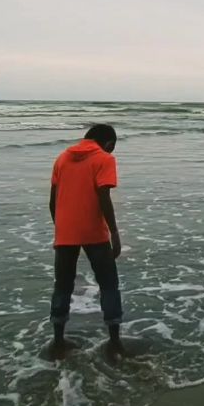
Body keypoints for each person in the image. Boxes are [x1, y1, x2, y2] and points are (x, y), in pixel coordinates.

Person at [47, 124, 124, 358]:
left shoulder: (61, 158)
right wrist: (114, 233)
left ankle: (58, 340)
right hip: (94, 233)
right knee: (109, 284)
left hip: (65, 232)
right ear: (108, 143)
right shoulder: (103, 159)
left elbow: (52, 202)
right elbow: (103, 197)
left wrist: (62, 227)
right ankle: (114, 342)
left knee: (62, 285)